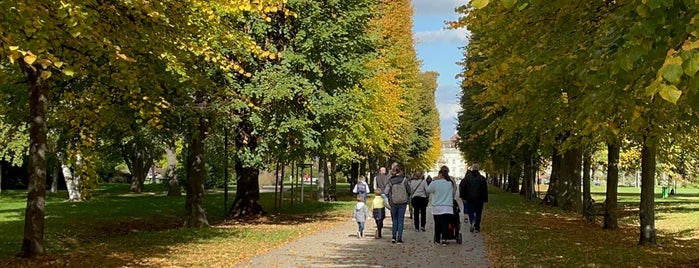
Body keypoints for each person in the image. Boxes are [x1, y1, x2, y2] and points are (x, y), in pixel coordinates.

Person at [427, 166, 455, 246]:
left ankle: (438, 239)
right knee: (445, 223)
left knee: (437, 224)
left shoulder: (435, 183)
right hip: (447, 207)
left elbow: (428, 190)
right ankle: (444, 239)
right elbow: (452, 193)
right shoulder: (450, 183)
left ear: (440, 174)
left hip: (437, 206)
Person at [384, 163, 411, 244]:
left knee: (394, 220)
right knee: (400, 220)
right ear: (401, 171)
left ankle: (393, 237)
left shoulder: (390, 181)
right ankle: (399, 238)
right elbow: (409, 190)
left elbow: (385, 191)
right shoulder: (404, 180)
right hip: (402, 202)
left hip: (393, 202)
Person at [461, 163, 488, 233]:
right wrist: (485, 199)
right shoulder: (482, 178)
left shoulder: (467, 178)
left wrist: (463, 197)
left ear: (472, 168)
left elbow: (463, 188)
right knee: (479, 212)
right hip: (479, 199)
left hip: (469, 198)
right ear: (478, 169)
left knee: (470, 211)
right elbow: (485, 190)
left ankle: (472, 220)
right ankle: (477, 227)